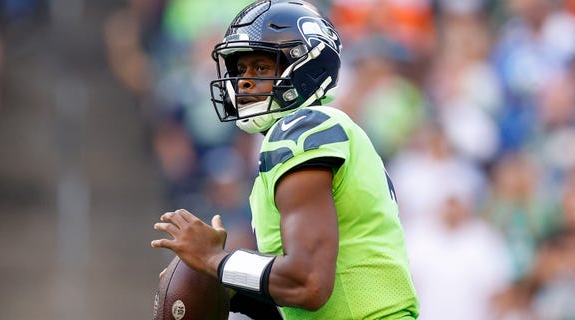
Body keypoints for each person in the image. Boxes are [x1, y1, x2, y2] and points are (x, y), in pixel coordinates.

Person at [151, 1, 420, 319]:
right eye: (240, 70)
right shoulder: (311, 134)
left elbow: (308, 283)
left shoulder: (302, 129)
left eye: (261, 68)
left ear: (308, 66)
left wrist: (216, 260)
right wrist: (229, 284)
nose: (244, 82)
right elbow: (298, 300)